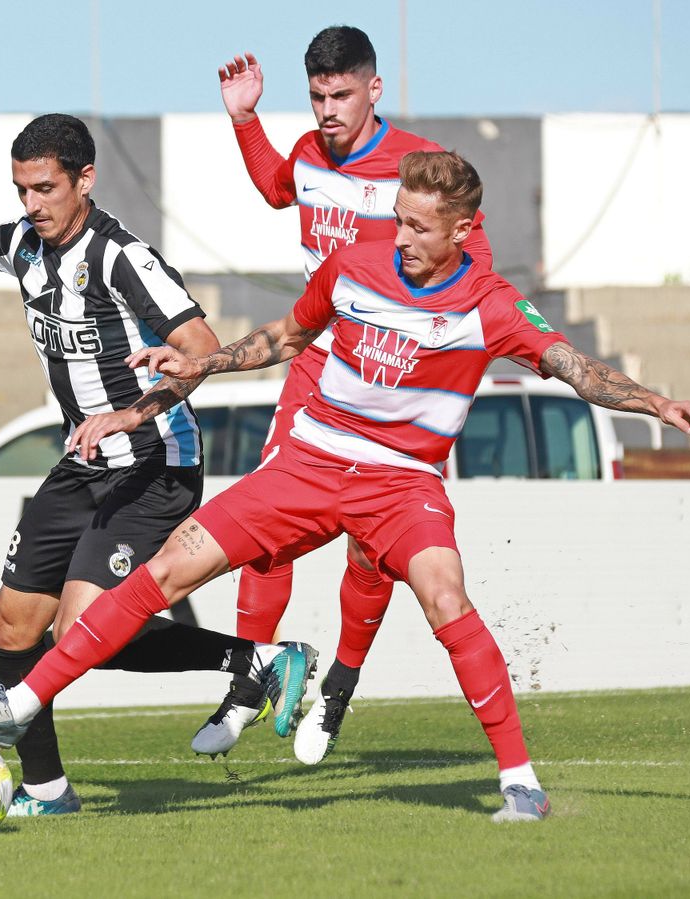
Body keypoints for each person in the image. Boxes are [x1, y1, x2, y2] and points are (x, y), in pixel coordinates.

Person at [0, 150, 690, 822]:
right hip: (305, 466)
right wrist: (202, 362)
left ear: (462, 231)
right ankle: (20, 705)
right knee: (167, 567)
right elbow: (284, 337)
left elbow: (576, 368)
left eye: (418, 227)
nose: (400, 237)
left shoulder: (493, 304)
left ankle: (520, 782)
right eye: (398, 220)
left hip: (400, 484)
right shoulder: (355, 267)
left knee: (446, 597)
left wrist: (653, 402)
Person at [0, 114, 311, 817]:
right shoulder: (25, 244)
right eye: (22, 190)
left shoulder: (119, 257)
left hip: (154, 459)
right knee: (10, 626)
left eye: (45, 188)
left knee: (83, 628)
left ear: (85, 180)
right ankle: (47, 791)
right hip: (84, 459)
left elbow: (200, 346)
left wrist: (136, 410)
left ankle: (254, 661)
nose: (32, 204)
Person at [198, 25, 496, 763]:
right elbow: (278, 188)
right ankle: (248, 680)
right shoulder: (307, 151)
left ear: (374, 89)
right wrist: (246, 119)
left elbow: (476, 267)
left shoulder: (420, 170)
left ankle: (338, 687)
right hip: (315, 367)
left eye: (341, 94)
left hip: (392, 379)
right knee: (265, 523)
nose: (328, 110)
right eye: (317, 96)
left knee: (370, 549)